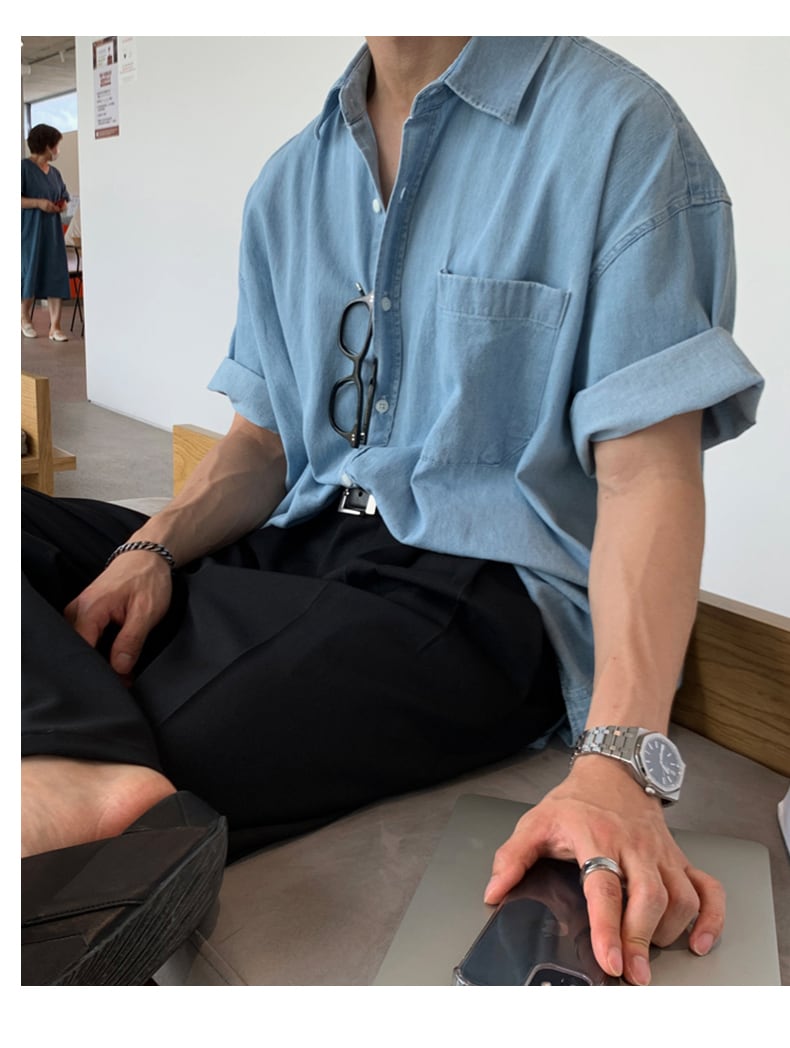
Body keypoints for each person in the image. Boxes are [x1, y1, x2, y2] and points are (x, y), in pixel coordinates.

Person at [22, 37, 764, 986]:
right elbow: (263, 445)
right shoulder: (290, 180)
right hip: (297, 533)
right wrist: (152, 549)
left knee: (183, 717)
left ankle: (80, 769)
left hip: (474, 584)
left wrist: (618, 766)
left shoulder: (619, 131)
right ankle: (79, 771)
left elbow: (647, 478)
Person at [21, 123, 71, 342]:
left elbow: (64, 196)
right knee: (29, 272)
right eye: (57, 145)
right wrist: (38, 203)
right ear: (48, 146)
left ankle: (55, 327)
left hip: (52, 231)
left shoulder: (55, 173)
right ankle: (24, 318)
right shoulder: (23, 168)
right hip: (30, 231)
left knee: (55, 273)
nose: (58, 150)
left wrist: (61, 205)